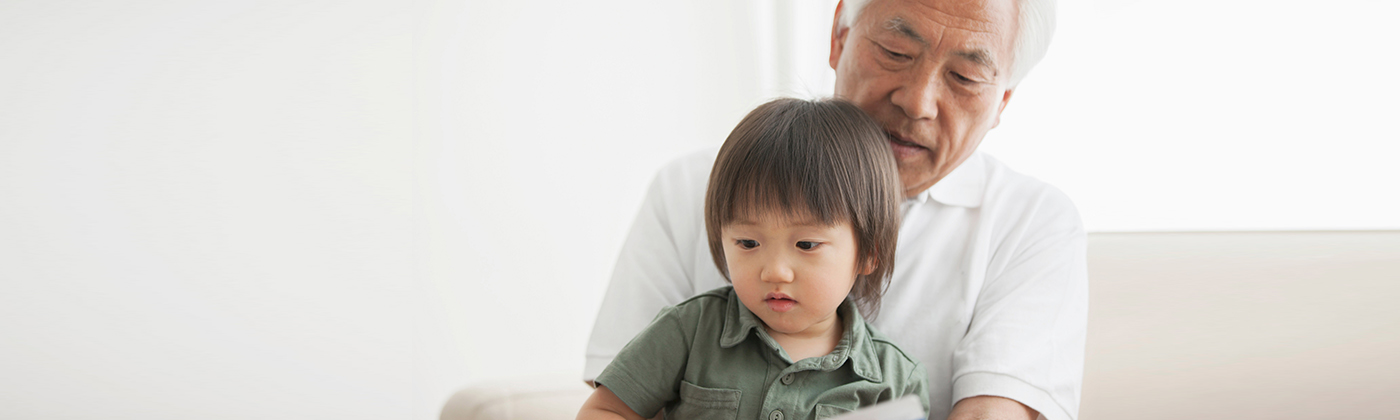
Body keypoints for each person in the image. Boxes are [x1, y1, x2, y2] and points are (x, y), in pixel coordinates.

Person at [586, 1, 1087, 420]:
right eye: (895, 52)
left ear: (1002, 101)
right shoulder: (690, 187)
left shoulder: (1031, 224)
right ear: (838, 35)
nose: (918, 102)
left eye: (964, 76)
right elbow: (620, 397)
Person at [577, 98, 927, 420]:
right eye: (747, 242)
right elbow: (607, 410)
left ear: (868, 253)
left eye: (806, 244)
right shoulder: (688, 329)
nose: (775, 271)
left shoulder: (894, 379)